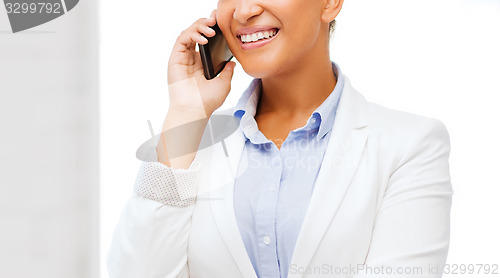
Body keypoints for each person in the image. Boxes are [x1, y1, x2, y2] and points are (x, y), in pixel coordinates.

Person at [107, 0, 453, 277]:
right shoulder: (197, 142)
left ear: (330, 3)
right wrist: (185, 115)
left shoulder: (411, 144)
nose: (243, 10)